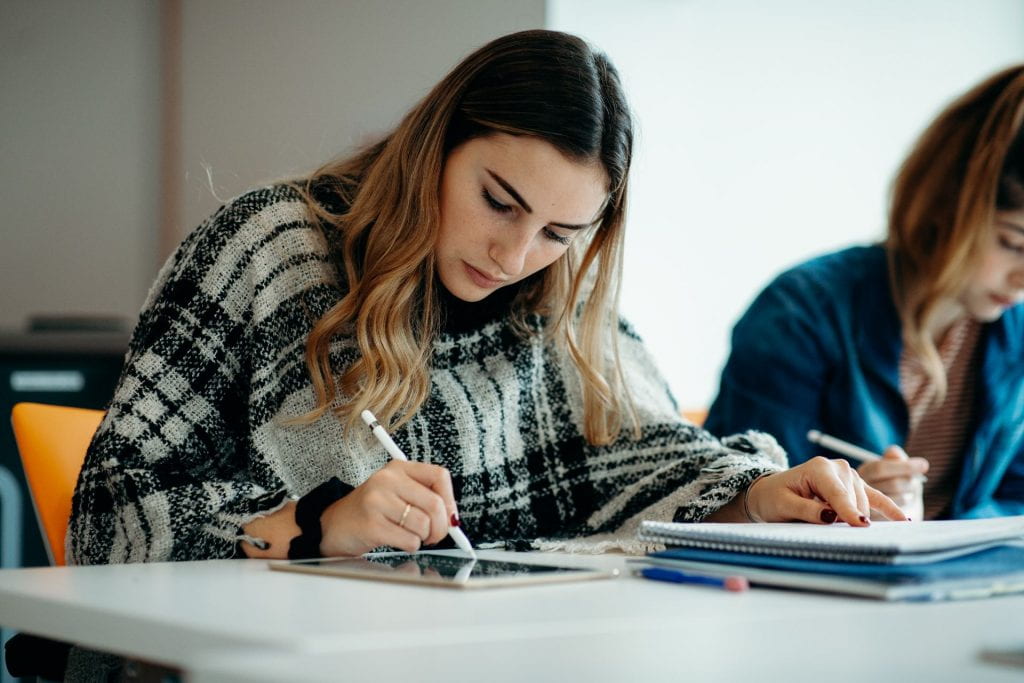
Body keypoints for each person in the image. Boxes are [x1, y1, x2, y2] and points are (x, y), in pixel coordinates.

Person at [68, 29, 904, 571]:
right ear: (437, 143)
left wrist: (757, 495)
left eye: (558, 230)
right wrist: (319, 522)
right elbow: (107, 515)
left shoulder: (558, 297)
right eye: (498, 201)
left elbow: (645, 460)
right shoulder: (270, 247)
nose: (516, 254)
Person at [704, 65, 1024, 521]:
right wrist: (844, 506)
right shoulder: (799, 313)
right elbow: (735, 496)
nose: (1022, 277)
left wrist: (935, 535)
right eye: (1014, 243)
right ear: (945, 204)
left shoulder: (1016, 332)